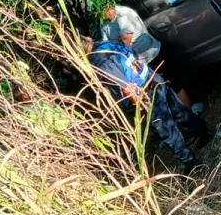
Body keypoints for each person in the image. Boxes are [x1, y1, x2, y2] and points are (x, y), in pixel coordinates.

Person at [84, 35, 209, 170]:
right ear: (89, 39)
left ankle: (191, 161)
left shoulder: (100, 60)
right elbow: (133, 54)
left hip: (147, 93)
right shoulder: (109, 43)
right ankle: (205, 132)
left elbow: (126, 88)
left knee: (166, 129)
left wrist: (139, 104)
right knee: (178, 110)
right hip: (153, 78)